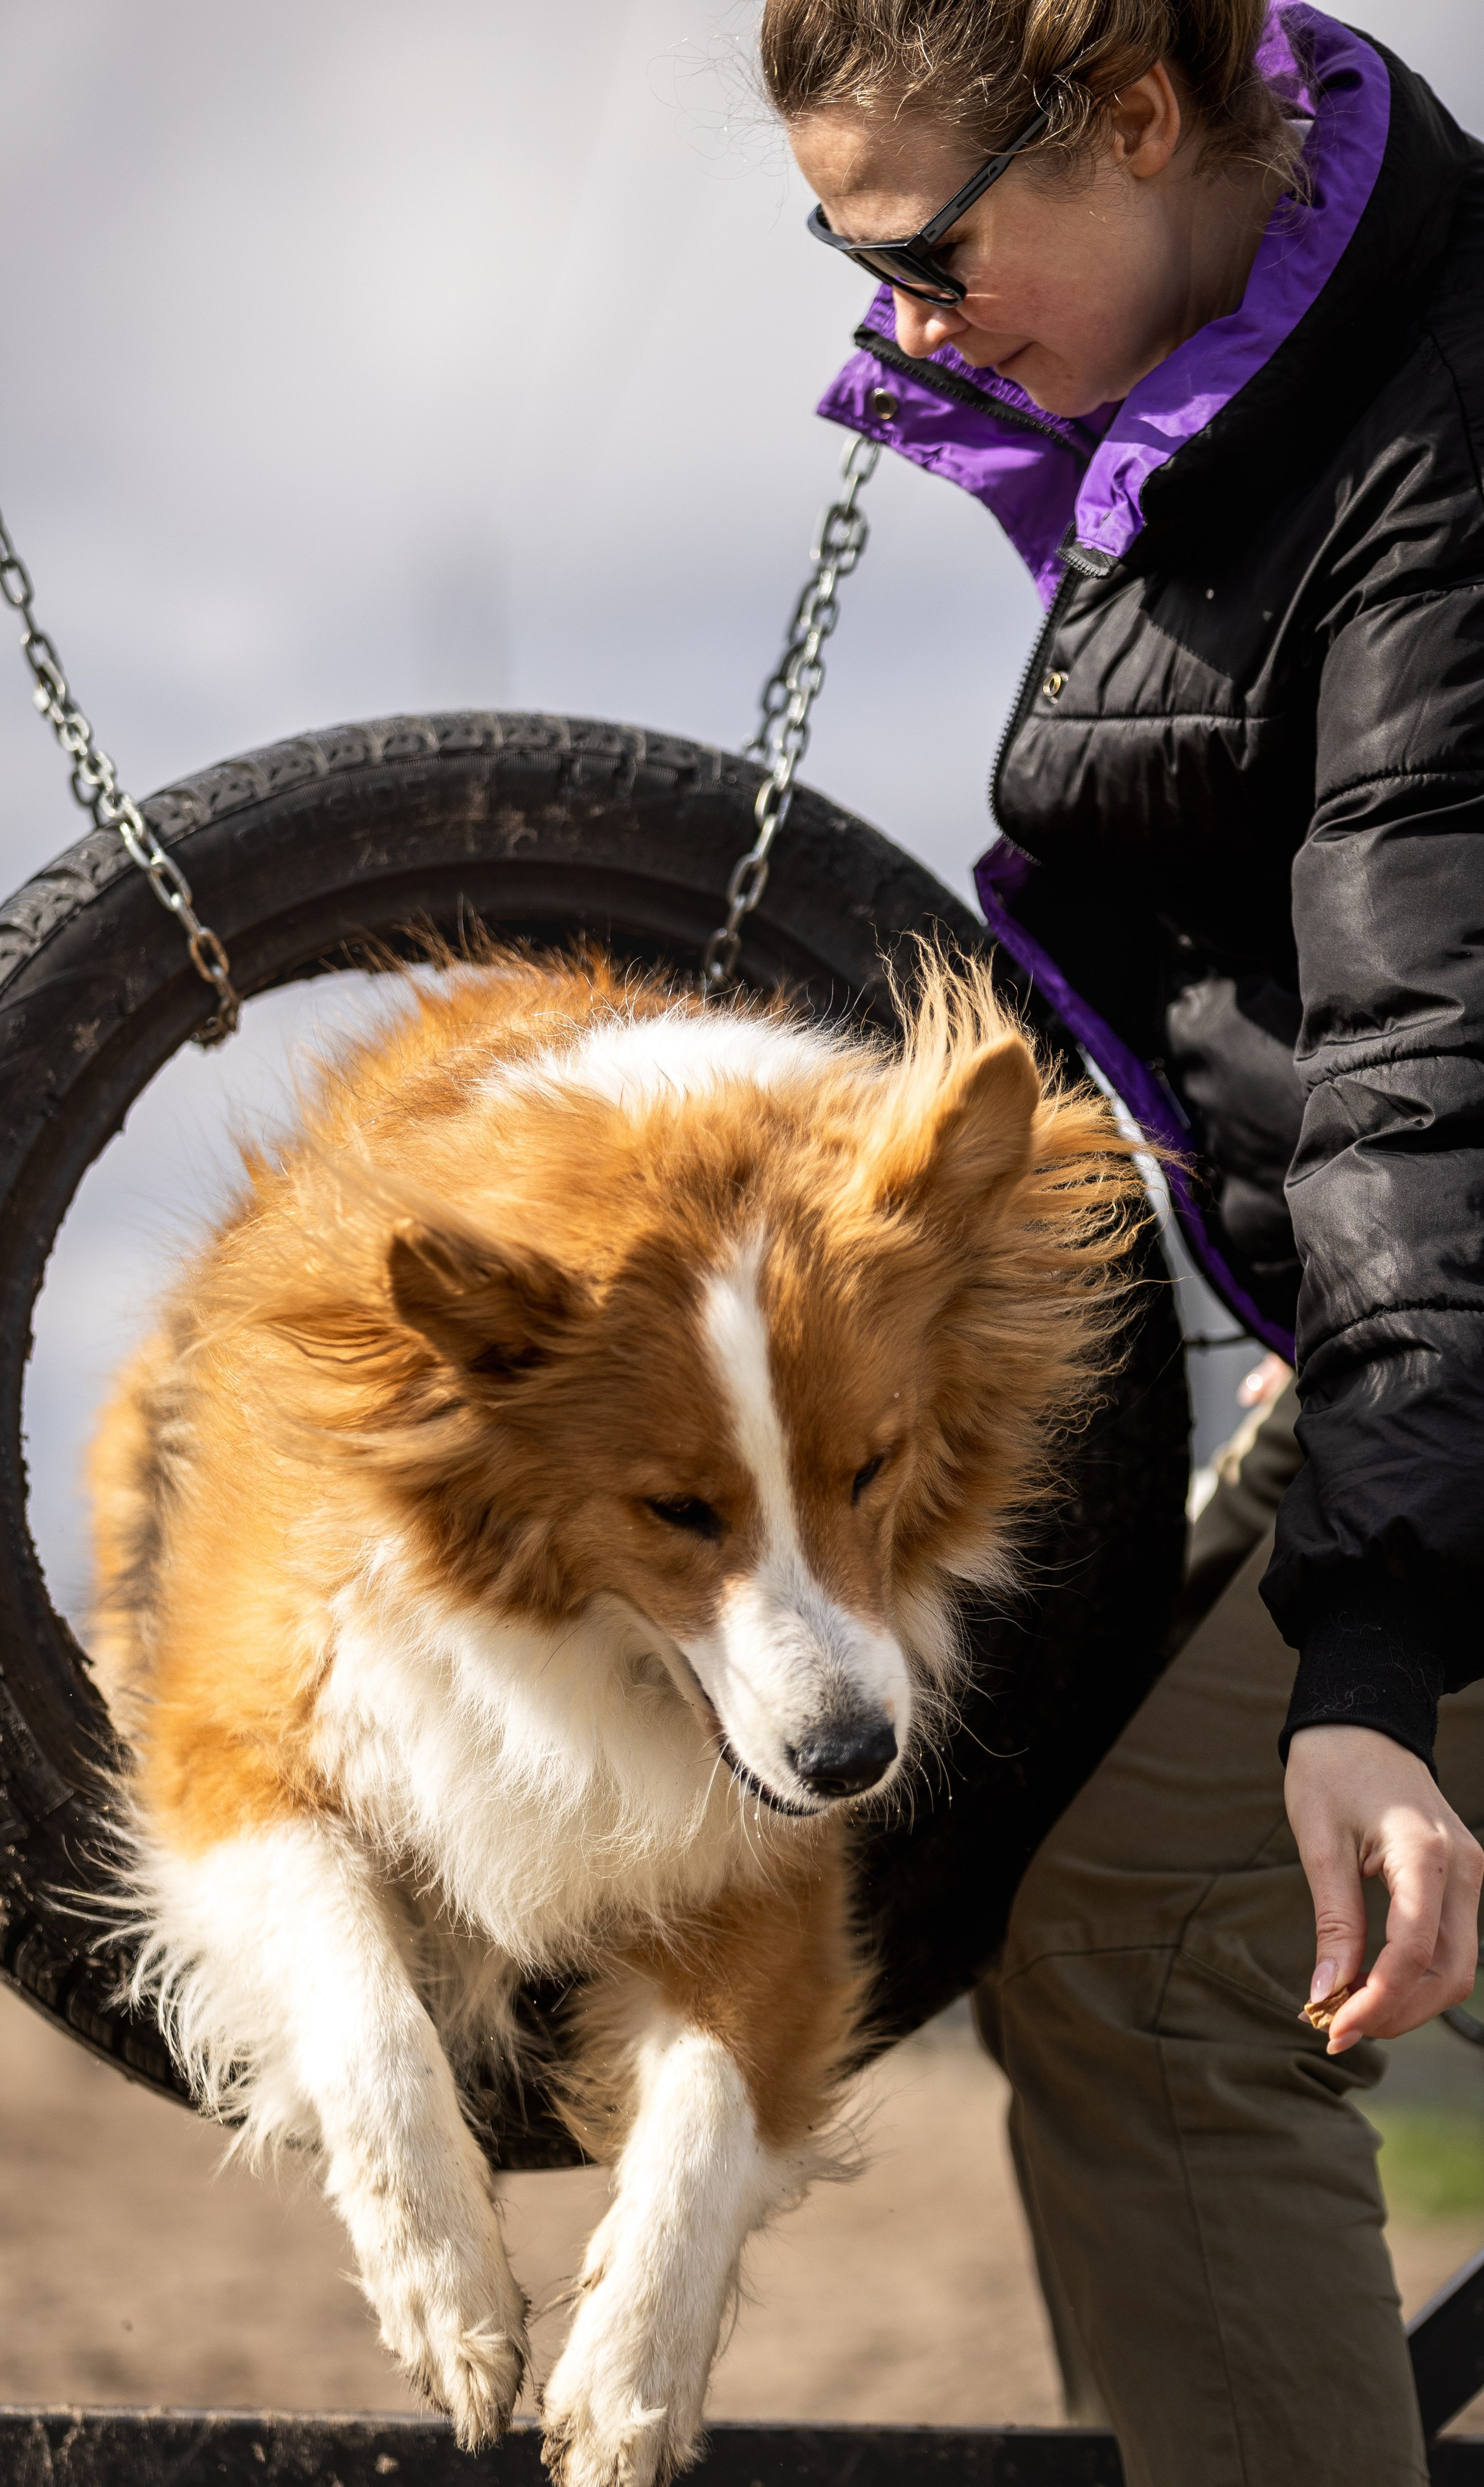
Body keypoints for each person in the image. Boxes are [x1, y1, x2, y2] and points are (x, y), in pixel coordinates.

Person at [759, 1, 1484, 2479]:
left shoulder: (1433, 454)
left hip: (1453, 1326)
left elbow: (1428, 1060)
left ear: (1150, 119)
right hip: (1394, 1335)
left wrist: (1377, 1653)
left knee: (1163, 1973)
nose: (903, 325)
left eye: (933, 254)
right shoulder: (1255, 378)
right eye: (847, 260)